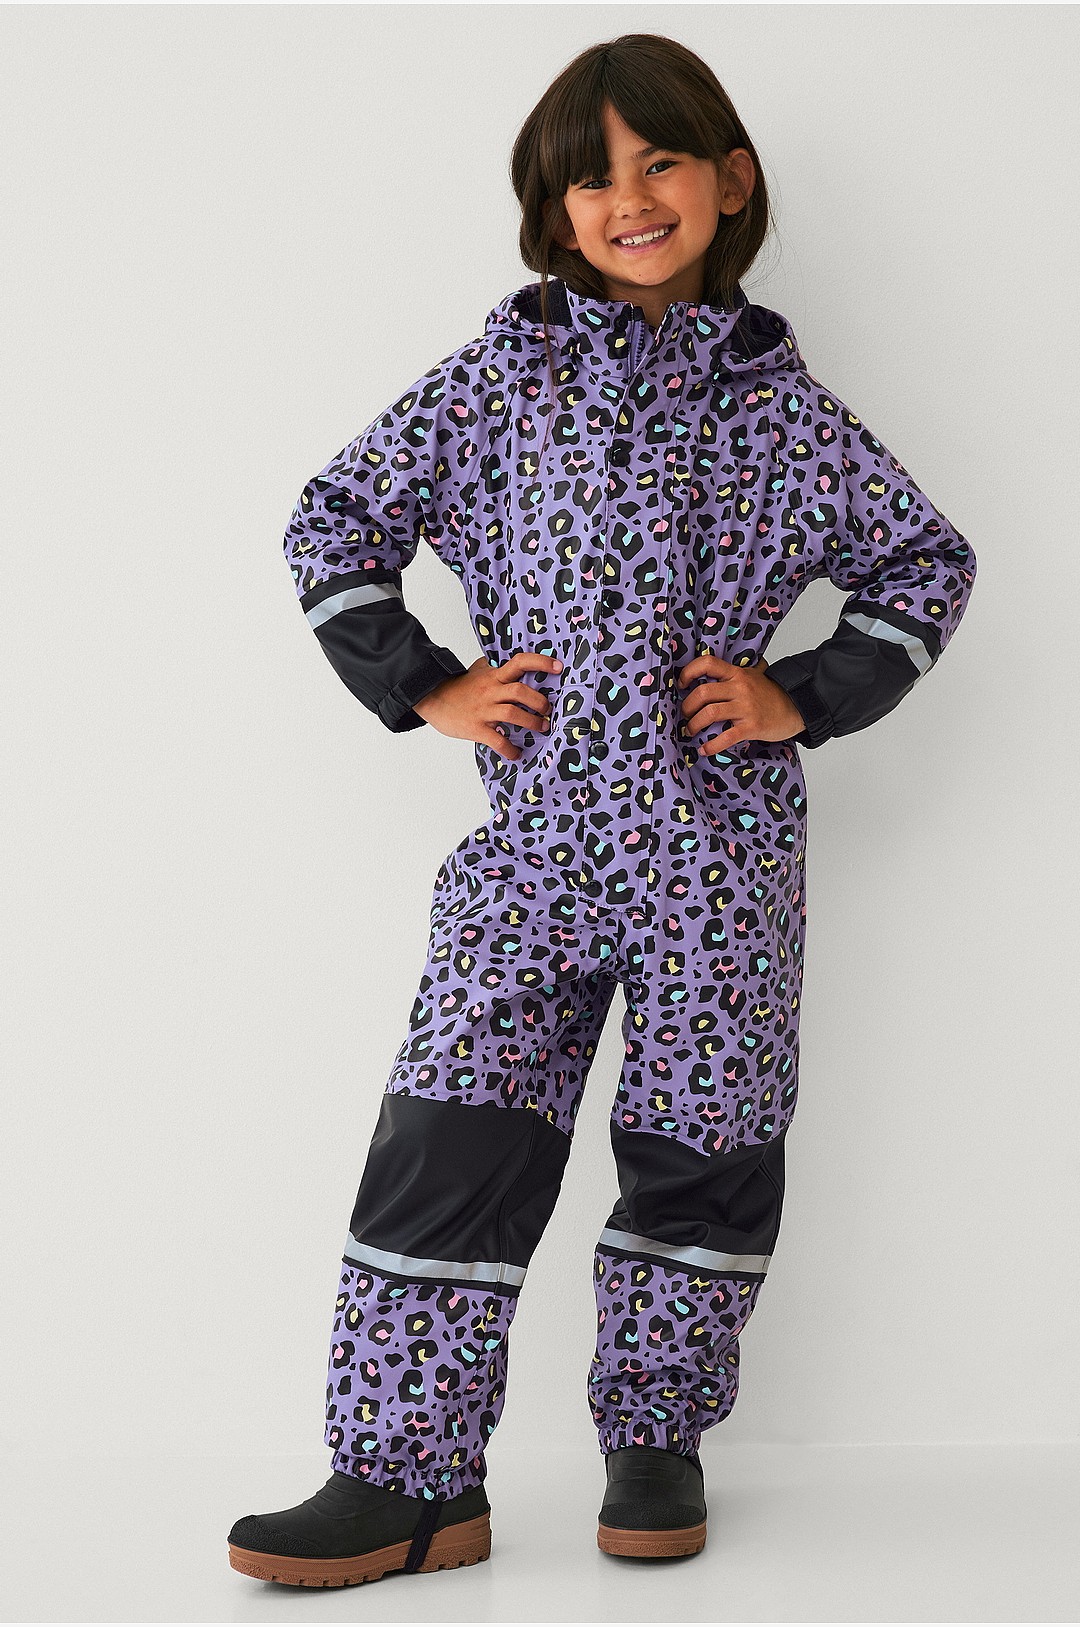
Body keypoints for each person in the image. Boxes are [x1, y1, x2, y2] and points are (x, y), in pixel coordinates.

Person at [227, 32, 977, 1589]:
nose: (630, 199)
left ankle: (656, 1441)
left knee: (705, 1142)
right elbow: (335, 517)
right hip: (534, 851)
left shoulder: (786, 413)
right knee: (451, 1140)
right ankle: (407, 1478)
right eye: (592, 177)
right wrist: (429, 683)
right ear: (553, 210)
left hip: (724, 857)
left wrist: (801, 693)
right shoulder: (500, 383)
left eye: (661, 162)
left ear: (730, 181)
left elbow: (926, 561)